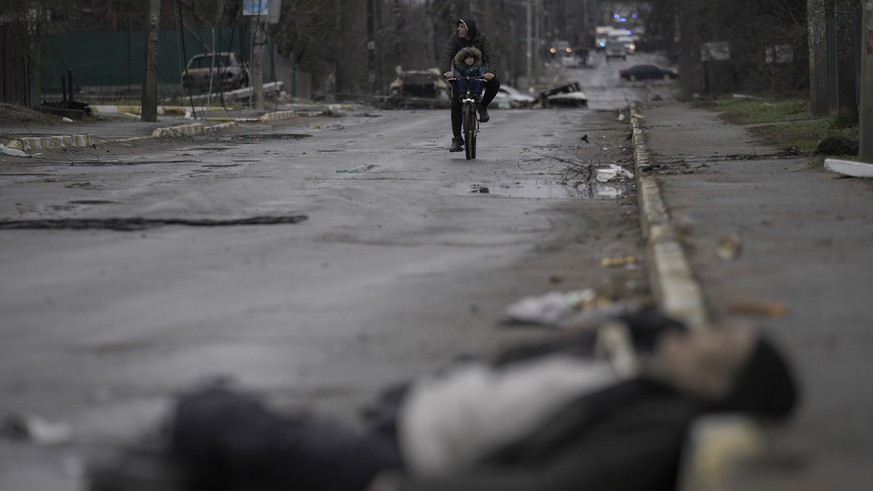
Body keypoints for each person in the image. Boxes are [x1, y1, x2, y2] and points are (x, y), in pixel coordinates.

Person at [87, 311, 799, 491]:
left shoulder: (656, 419)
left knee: (214, 412)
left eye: (717, 340)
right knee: (235, 429)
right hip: (407, 425)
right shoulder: (648, 380)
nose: (695, 333)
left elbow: (550, 485)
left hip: (406, 463)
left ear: (718, 383)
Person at [442, 16, 501, 152]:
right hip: (460, 74)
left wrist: (490, 72)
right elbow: (447, 54)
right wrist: (446, 71)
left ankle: (482, 107)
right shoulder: (455, 38)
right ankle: (457, 139)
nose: (458, 29)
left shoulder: (482, 38)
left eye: (461, 27)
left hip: (478, 73)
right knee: (456, 104)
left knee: (495, 83)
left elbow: (491, 55)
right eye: (458, 27)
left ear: (468, 29)